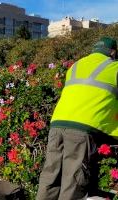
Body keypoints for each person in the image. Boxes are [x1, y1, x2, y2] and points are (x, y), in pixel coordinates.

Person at [36, 37, 118, 200]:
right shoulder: (115, 67)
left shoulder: (75, 66)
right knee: (73, 184)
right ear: (113, 52)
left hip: (57, 125)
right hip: (82, 130)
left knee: (50, 178)